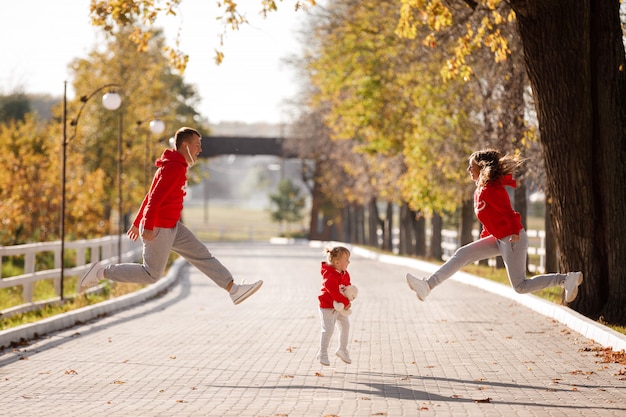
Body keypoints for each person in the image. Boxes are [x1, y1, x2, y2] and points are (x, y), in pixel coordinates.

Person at [79, 127, 263, 305]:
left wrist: (137, 223)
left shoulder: (176, 166)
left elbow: (149, 195)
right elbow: (155, 198)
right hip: (159, 227)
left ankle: (233, 289)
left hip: (172, 227)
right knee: (151, 274)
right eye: (197, 145)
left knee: (202, 255)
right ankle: (100, 272)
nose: (200, 149)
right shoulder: (173, 168)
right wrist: (147, 226)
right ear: (185, 146)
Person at [406, 149, 583, 304]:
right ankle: (427, 286)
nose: (468, 170)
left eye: (471, 166)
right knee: (462, 254)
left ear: (481, 168)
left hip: (512, 239)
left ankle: (566, 279)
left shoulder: (491, 189)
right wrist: (486, 235)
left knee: (520, 286)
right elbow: (490, 217)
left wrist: (514, 232)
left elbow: (508, 212)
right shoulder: (479, 190)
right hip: (499, 238)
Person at [317, 246, 353, 366]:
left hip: (340, 306)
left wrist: (350, 294)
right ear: (337, 262)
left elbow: (347, 287)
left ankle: (342, 349)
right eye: (346, 260)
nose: (349, 262)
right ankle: (322, 353)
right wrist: (346, 302)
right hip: (327, 307)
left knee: (345, 326)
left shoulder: (345, 273)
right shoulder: (330, 276)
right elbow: (334, 292)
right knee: (329, 329)